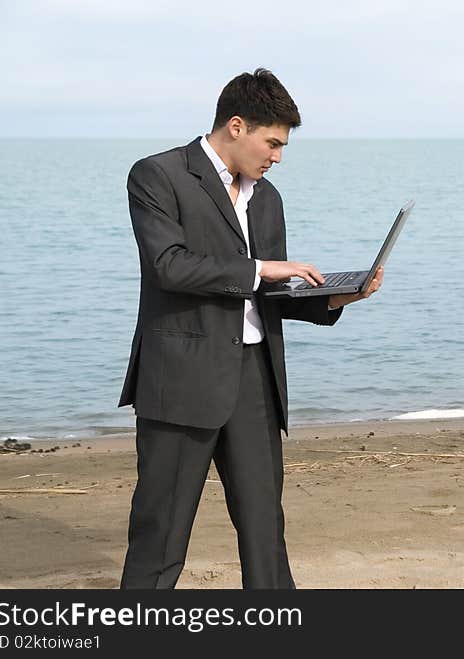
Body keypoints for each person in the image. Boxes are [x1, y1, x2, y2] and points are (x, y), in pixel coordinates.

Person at [117, 68, 383, 589]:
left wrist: (335, 297)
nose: (277, 156)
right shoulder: (157, 175)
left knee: (265, 528)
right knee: (161, 532)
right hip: (181, 381)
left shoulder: (268, 197)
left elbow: (270, 296)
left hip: (255, 381)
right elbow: (169, 266)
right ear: (236, 126)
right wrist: (261, 268)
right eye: (273, 143)